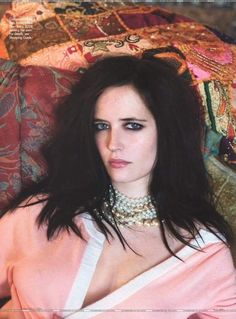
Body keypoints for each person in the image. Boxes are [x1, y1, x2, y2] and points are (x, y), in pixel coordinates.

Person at [0, 54, 235, 319]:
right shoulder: (40, 213)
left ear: (167, 132)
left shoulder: (204, 255)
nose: (113, 143)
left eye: (132, 126)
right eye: (102, 126)